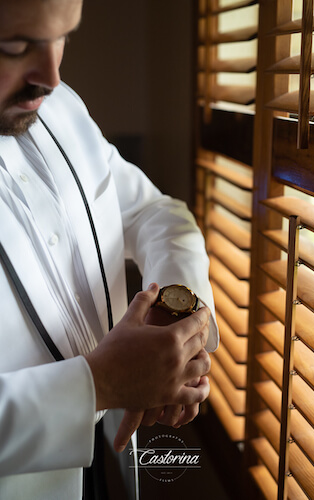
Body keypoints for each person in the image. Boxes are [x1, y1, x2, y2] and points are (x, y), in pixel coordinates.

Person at [0, 0, 218, 499]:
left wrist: (175, 318)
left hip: (110, 464)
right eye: (15, 46)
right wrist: (98, 386)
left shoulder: (59, 104)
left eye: (63, 38)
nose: (52, 77)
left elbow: (155, 212)